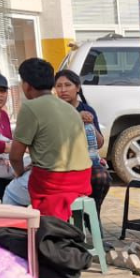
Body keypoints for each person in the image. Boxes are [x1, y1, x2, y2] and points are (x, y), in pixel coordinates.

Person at [9, 58, 92, 221]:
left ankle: (19, 240)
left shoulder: (29, 107)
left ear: (26, 85)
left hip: (54, 181)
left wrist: (19, 173)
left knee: (10, 193)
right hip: (83, 178)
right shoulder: (69, 108)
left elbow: (15, 156)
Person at [54, 69, 111, 211]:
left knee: (102, 176)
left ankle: (93, 213)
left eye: (68, 85)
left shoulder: (87, 110)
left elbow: (98, 144)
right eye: (59, 86)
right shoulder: (53, 110)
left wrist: (89, 124)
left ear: (77, 88)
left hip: (86, 161)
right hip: (60, 163)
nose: (63, 90)